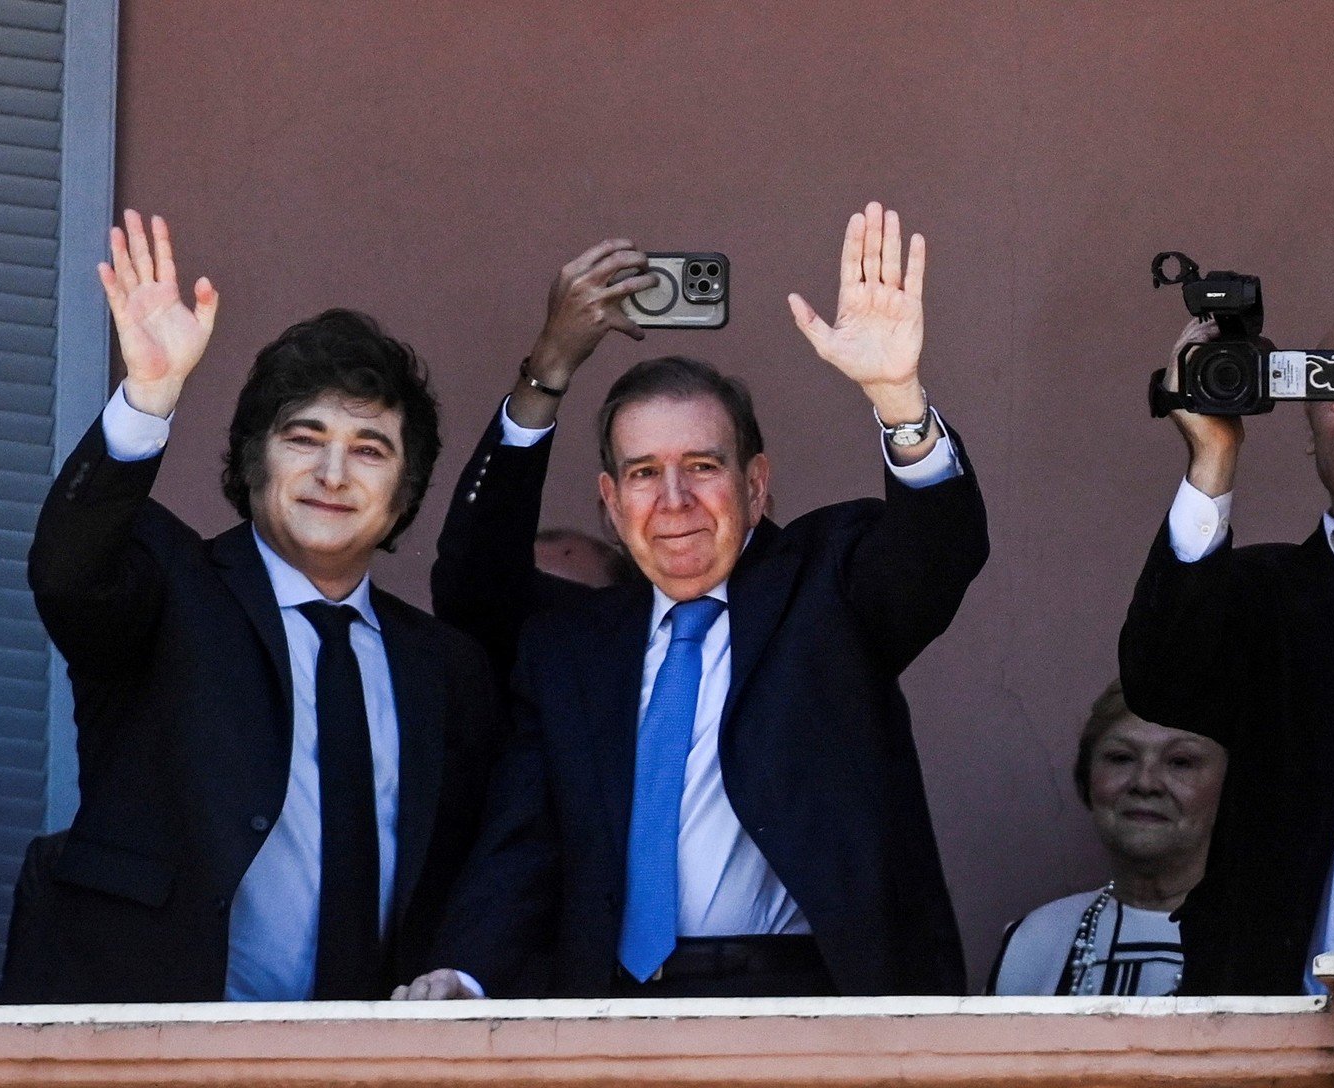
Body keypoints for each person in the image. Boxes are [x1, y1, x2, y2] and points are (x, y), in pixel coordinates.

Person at [406, 201, 989, 999]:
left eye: (703, 467)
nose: (674, 499)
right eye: (644, 473)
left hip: (805, 1000)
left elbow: (937, 550)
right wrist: (464, 973)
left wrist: (897, 398)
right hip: (612, 1008)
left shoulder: (825, 591)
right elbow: (524, 841)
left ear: (756, 485)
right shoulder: (570, 653)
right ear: (611, 504)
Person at [0, 211, 501, 1003]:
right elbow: (68, 571)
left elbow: (473, 870)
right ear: (252, 459)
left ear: (404, 496)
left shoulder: (447, 670)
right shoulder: (170, 589)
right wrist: (149, 397)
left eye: (369, 450)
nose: (333, 473)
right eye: (304, 437)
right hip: (146, 1039)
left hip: (369, 1053)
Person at [1120, 301, 1334, 995]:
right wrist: (1212, 454)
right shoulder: (1264, 593)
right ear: (1306, 428)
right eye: (1332, 379)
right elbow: (1160, 680)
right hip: (1284, 1010)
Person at [987, 680, 1226, 996]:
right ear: (1087, 779)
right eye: (1121, 758)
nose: (1145, 783)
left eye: (1180, 762)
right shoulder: (1035, 942)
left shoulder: (1269, 942)